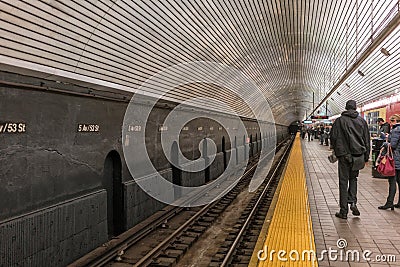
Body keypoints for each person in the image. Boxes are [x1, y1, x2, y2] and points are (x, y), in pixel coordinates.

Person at [330, 100, 370, 219]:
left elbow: (333, 137)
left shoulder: (339, 121)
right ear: (355, 108)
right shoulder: (361, 121)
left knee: (343, 182)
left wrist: (337, 152)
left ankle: (343, 211)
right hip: (358, 156)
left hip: (344, 156)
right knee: (354, 179)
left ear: (346, 108)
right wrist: (366, 157)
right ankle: (352, 202)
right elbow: (366, 140)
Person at [378, 114, 400, 210]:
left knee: (392, 181)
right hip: (399, 159)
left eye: (391, 121)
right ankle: (399, 202)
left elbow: (393, 145)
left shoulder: (396, 130)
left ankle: (389, 202)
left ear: (394, 121)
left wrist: (385, 143)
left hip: (394, 159)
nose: (390, 124)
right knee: (399, 181)